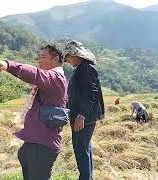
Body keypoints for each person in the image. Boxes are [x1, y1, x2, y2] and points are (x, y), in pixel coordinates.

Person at [0, 44, 68, 180]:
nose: (39, 60)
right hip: (35, 143)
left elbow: (35, 74)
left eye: (43, 57)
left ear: (56, 59)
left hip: (43, 146)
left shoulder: (55, 78)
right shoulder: (49, 80)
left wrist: (7, 65)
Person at [64, 40, 105, 180]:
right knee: (84, 148)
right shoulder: (82, 68)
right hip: (81, 116)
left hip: (84, 118)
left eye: (68, 57)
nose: (67, 60)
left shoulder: (86, 68)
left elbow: (90, 93)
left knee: (81, 148)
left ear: (75, 55)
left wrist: (81, 115)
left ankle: (85, 177)